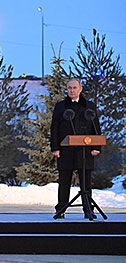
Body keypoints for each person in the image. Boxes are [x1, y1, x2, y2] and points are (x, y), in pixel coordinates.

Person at [50, 78, 101, 219]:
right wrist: (55, 148)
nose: (71, 90)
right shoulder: (61, 107)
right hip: (65, 150)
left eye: (74, 88)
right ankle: (61, 209)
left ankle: (88, 210)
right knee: (64, 181)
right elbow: (54, 128)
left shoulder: (89, 106)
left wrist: (96, 146)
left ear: (80, 89)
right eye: (69, 88)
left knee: (86, 181)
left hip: (85, 151)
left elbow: (96, 127)